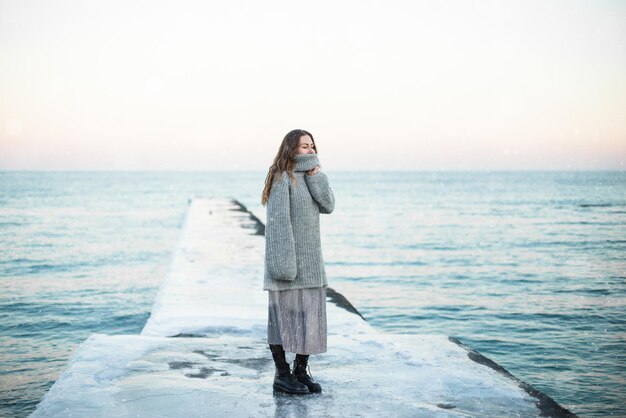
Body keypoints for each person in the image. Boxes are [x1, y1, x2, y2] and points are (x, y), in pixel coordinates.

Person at [261, 129, 335, 395]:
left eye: (312, 145)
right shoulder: (282, 178)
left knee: (310, 319)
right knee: (282, 321)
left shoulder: (313, 176)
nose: (310, 150)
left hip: (312, 263)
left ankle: (300, 371)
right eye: (304, 146)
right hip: (288, 264)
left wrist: (317, 178)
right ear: (291, 149)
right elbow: (278, 225)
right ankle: (282, 375)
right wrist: (283, 267)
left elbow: (328, 206)